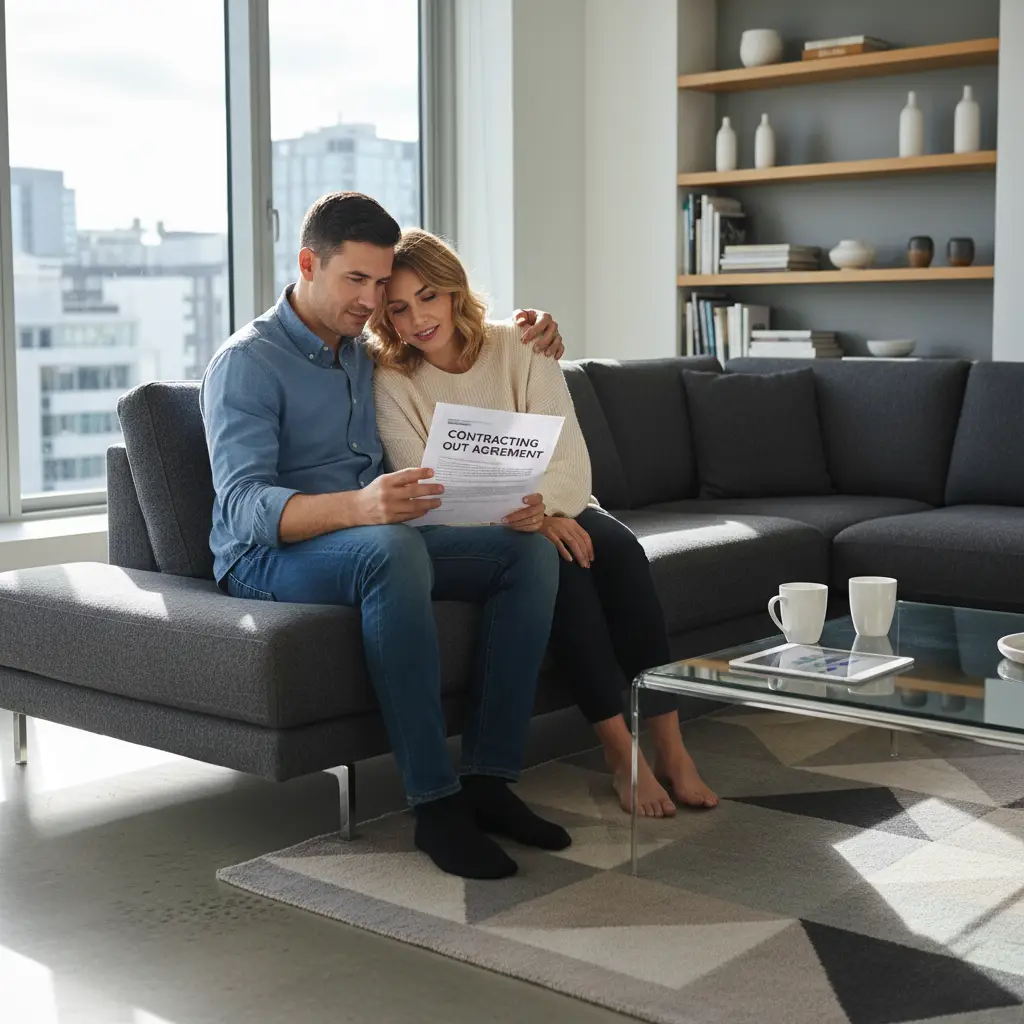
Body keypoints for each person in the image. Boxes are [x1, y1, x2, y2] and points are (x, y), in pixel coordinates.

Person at [200, 192, 573, 881]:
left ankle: (489, 780)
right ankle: (435, 805)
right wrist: (362, 507)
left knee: (527, 551)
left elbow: (462, 335)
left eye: (380, 284)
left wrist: (537, 327)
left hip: (374, 533)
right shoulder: (246, 363)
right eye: (356, 281)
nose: (372, 300)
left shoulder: (363, 350)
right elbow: (246, 506)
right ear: (309, 263)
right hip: (268, 557)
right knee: (392, 549)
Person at [370, 228, 719, 819]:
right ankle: (619, 756)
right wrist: (529, 521)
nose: (418, 318)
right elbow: (425, 486)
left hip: (556, 502)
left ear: (454, 292)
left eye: (428, 296)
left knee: (623, 554)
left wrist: (545, 511)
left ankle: (672, 749)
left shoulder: (523, 345)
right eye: (398, 308)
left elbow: (571, 464)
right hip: (475, 527)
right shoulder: (392, 380)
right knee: (568, 570)